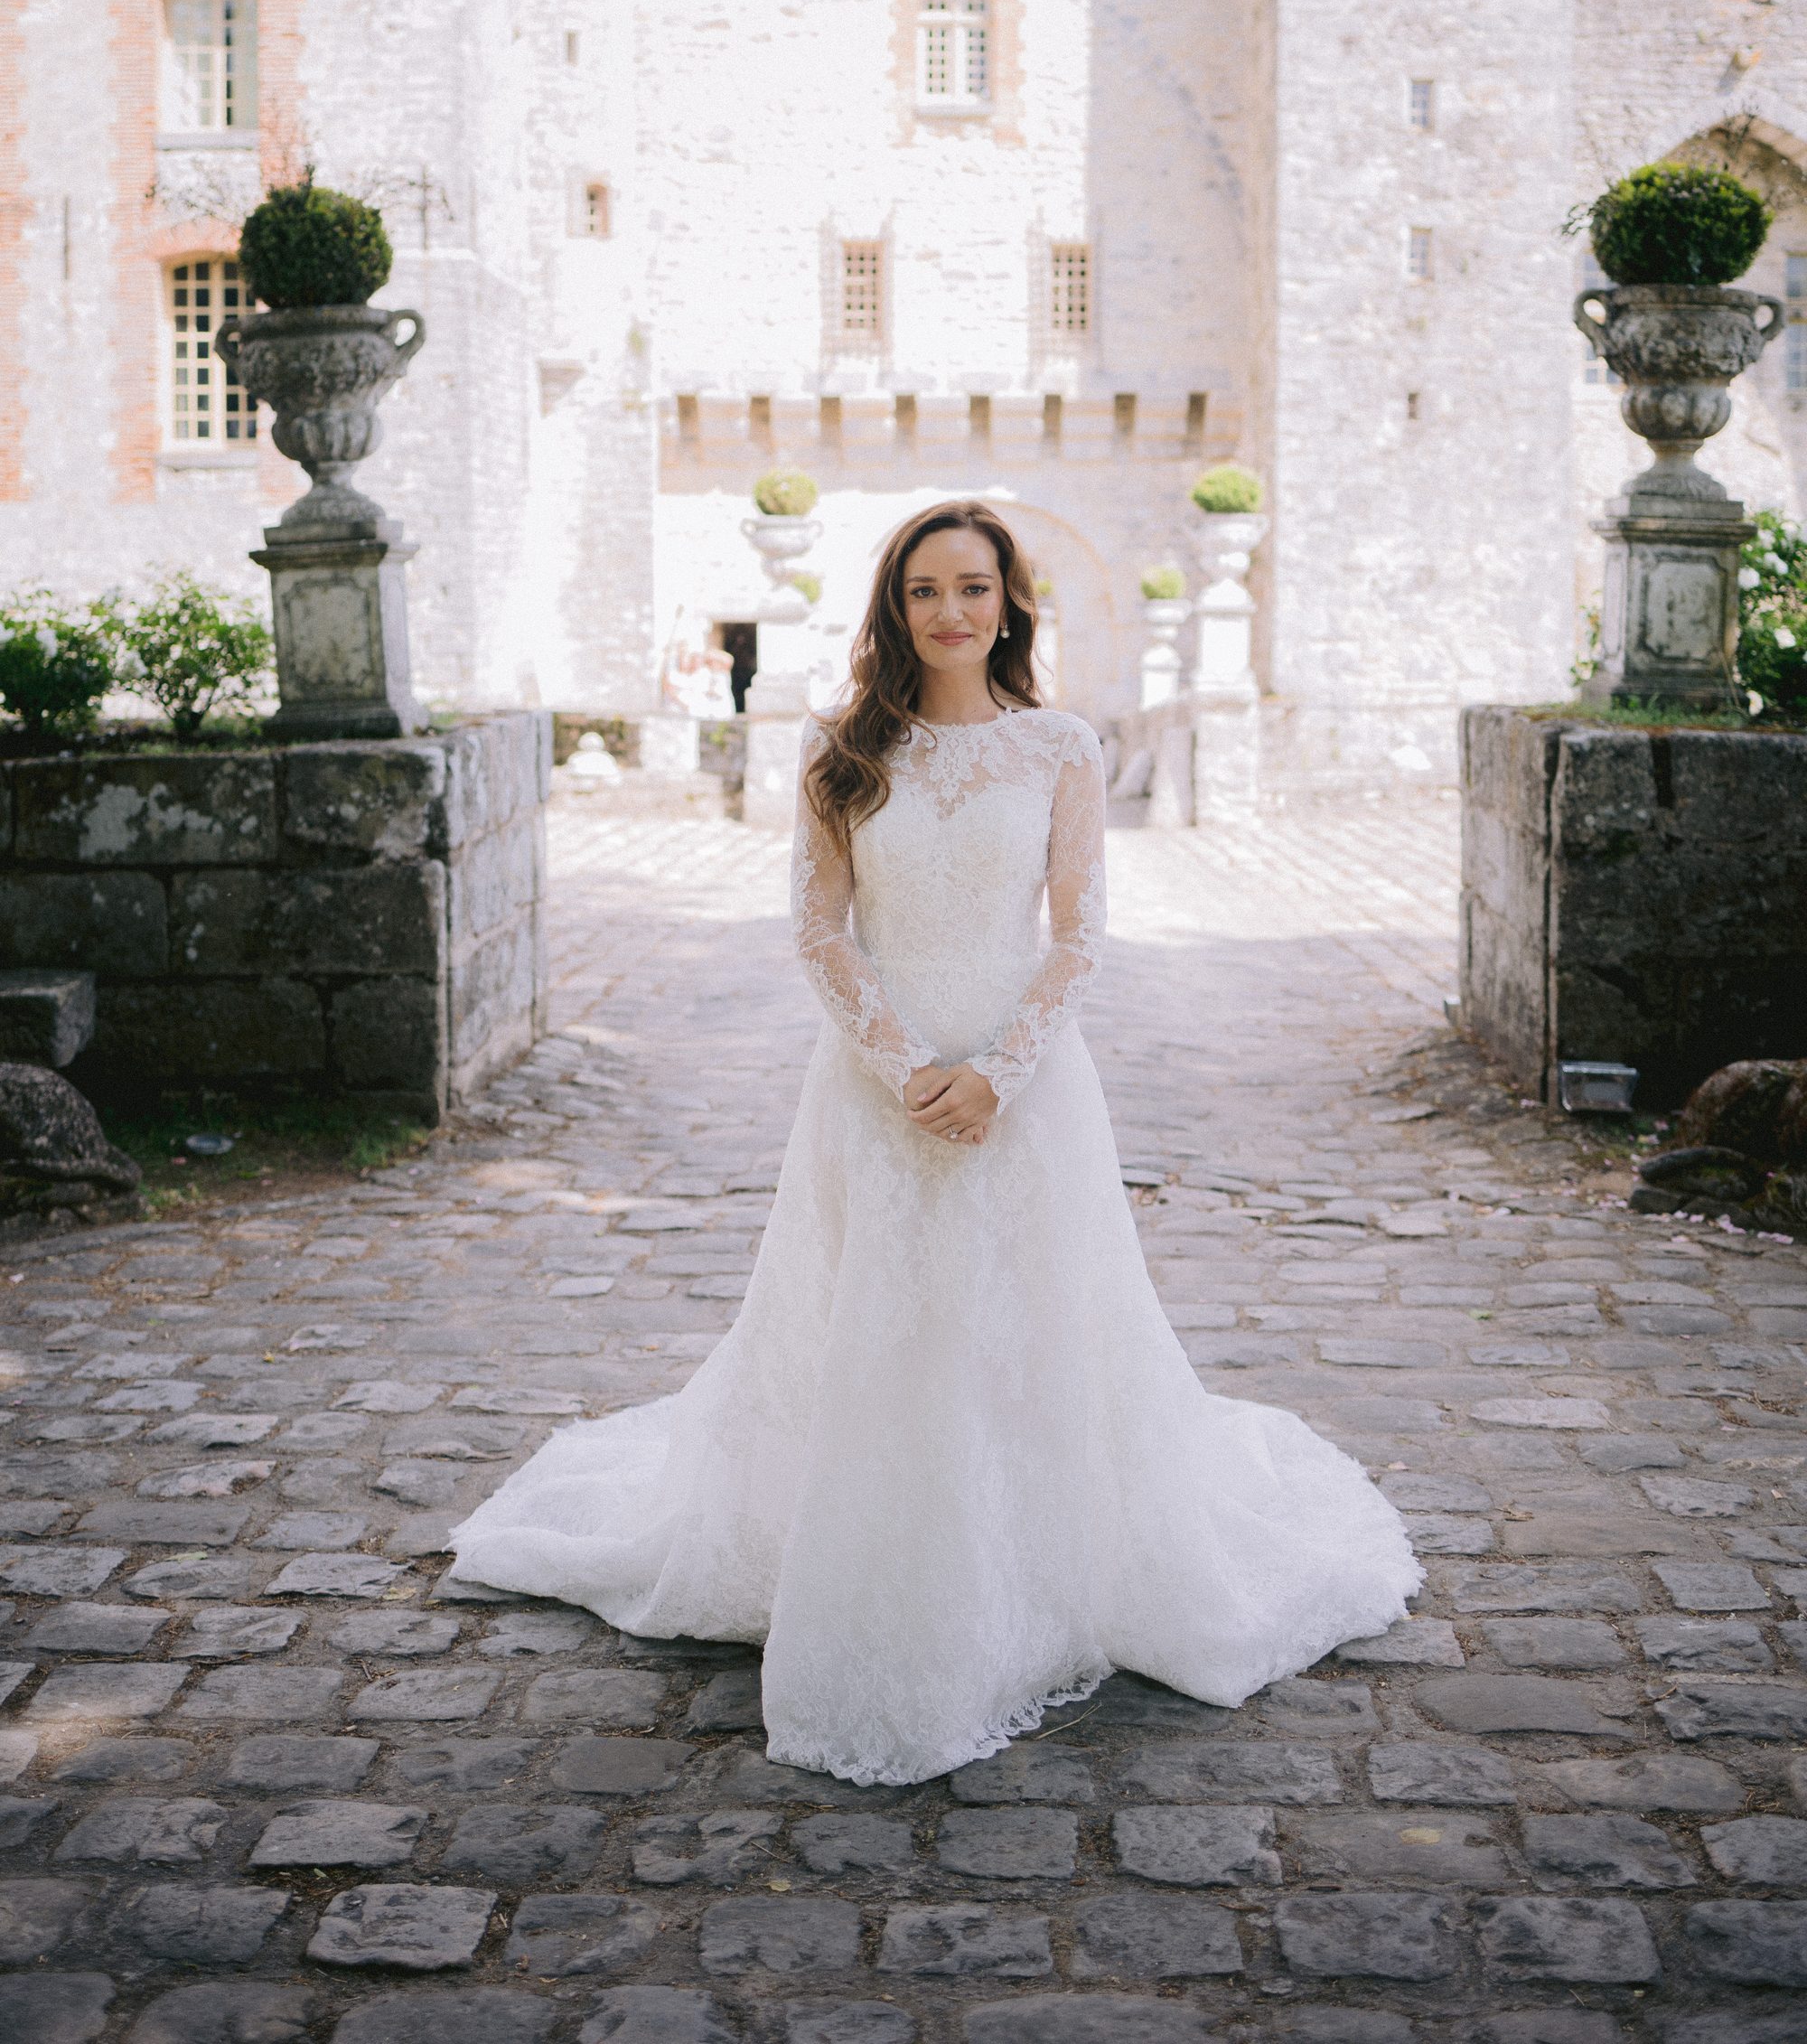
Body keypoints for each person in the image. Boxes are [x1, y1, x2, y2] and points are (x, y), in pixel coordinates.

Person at [447, 498, 1420, 1785]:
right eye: (922, 592)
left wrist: (1000, 1074)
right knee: (888, 1320)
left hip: (1027, 1086)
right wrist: (909, 1067)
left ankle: (1030, 1558)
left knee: (1027, 1318)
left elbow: (1075, 934)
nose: (950, 612)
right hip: (877, 1085)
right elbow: (819, 932)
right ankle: (888, 1554)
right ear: (892, 610)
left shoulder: (1061, 748)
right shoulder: (845, 747)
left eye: (972, 587)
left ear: (1012, 600)